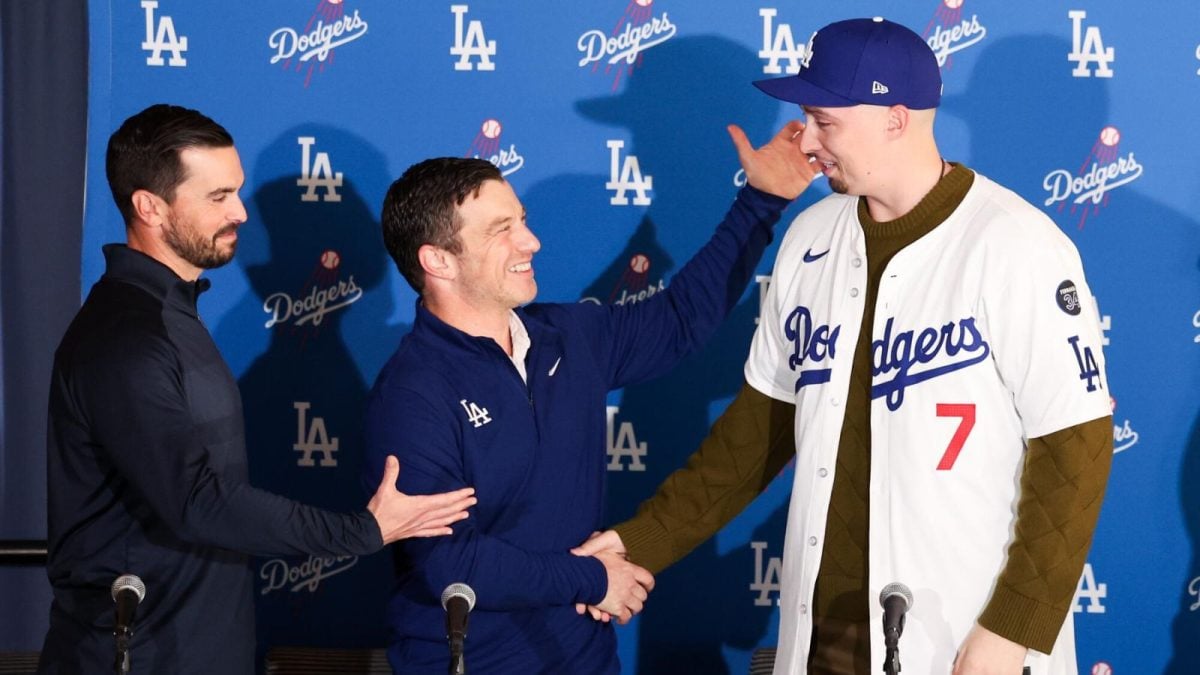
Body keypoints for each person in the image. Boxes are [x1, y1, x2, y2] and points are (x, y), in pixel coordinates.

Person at [573, 17, 1114, 675]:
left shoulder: (1017, 244)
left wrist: (1013, 628)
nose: (806, 139)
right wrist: (640, 543)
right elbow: (755, 436)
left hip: (969, 630)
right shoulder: (808, 237)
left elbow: (1073, 452)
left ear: (895, 117)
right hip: (826, 629)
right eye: (805, 116)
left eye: (825, 120)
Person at [363, 118, 818, 673]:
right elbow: (449, 563)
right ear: (438, 261)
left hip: (583, 656)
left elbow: (681, 320)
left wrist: (761, 202)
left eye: (522, 221)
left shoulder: (569, 338)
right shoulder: (413, 394)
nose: (531, 241)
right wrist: (595, 578)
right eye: (500, 229)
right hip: (471, 662)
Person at [39, 104, 478, 675]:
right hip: (137, 656)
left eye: (238, 192)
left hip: (197, 646)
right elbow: (197, 501)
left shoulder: (171, 319)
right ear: (150, 206)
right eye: (218, 196)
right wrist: (362, 530)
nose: (240, 212)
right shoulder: (127, 338)